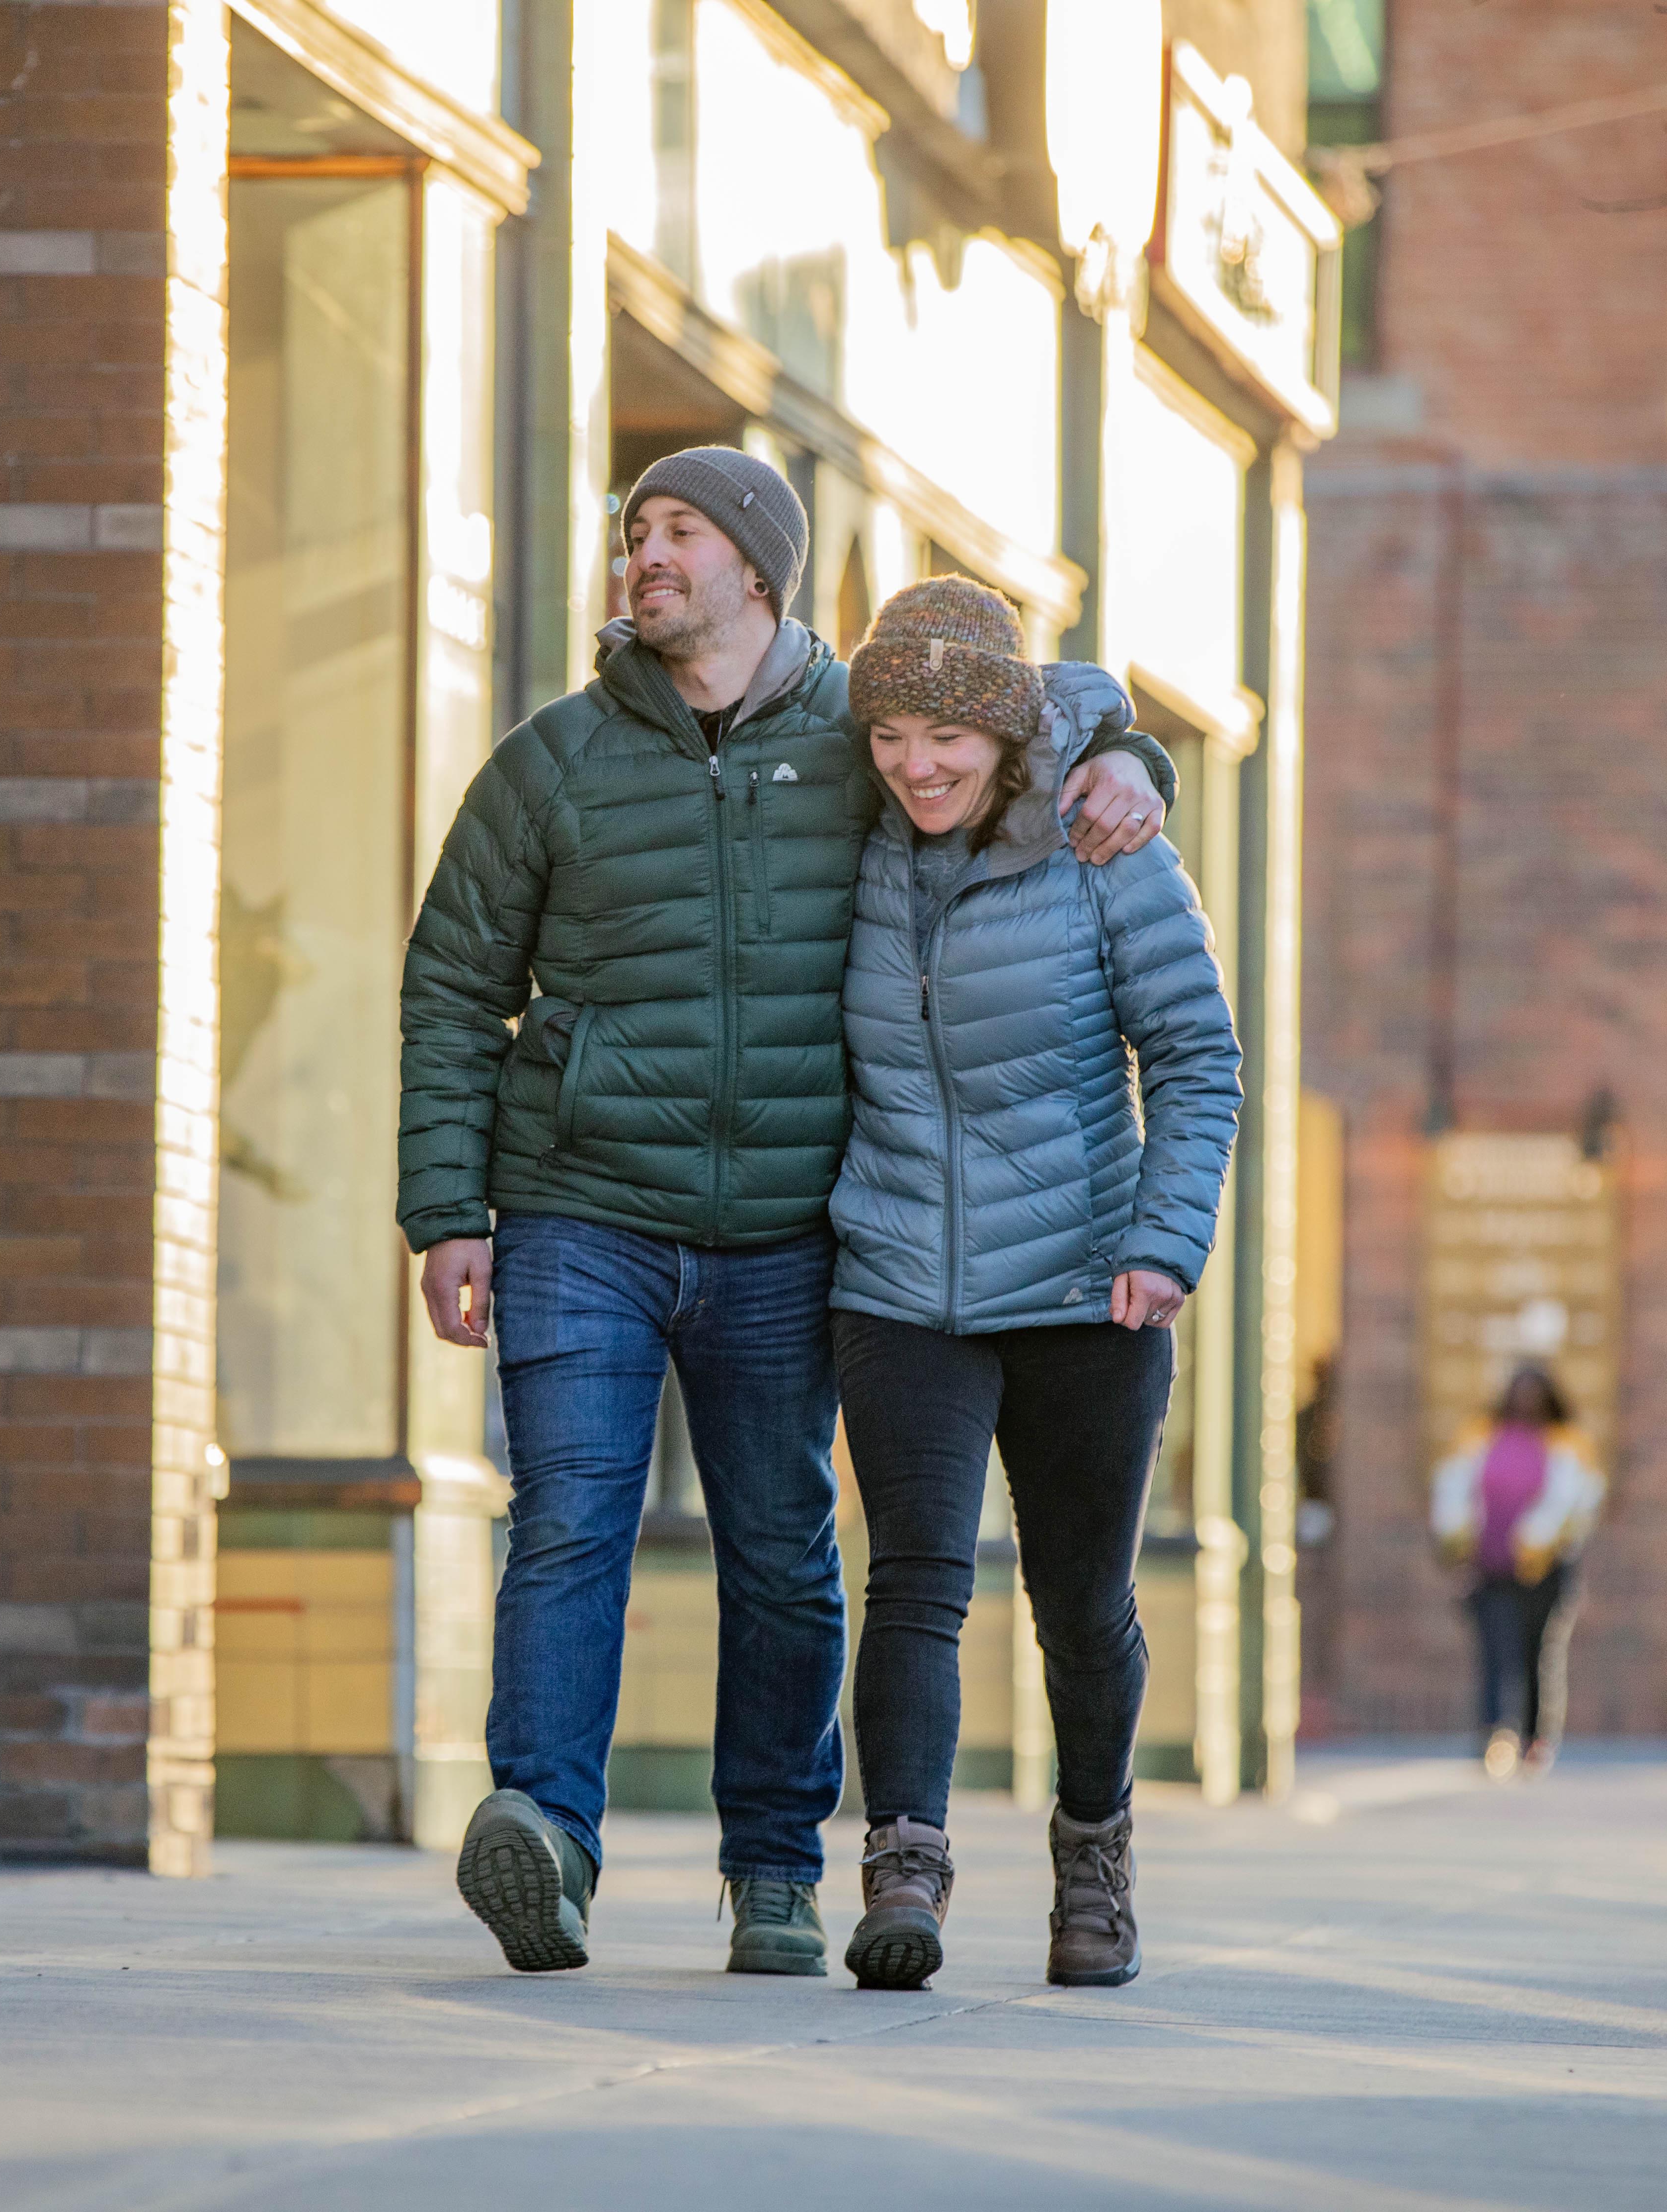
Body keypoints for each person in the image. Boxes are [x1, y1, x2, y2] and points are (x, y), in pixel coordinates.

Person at [396, 449, 1180, 1976]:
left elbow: (1030, 709)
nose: (645, 555)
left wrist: (1131, 753)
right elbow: (450, 988)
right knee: (566, 1518)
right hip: (579, 1207)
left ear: (757, 564)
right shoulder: (548, 762)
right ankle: (545, 1832)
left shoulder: (862, 742)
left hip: (785, 1224)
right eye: (631, 532)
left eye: (678, 531)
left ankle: (772, 1867)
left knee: (779, 1543)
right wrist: (449, 1209)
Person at [826, 578, 1244, 1994]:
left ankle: (1095, 1849)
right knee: (917, 1583)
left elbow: (1198, 1054)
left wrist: (1162, 1241)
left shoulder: (1103, 839)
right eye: (891, 732)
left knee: (1082, 1603)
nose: (917, 764)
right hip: (898, 1276)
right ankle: (905, 1868)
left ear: (1007, 737)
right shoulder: (856, 842)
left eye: (949, 734)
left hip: (1086, 1287)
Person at [1429, 1365, 1606, 1778]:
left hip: (1543, 1569)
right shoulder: (1480, 1437)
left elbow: (1579, 1502)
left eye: (1534, 1394)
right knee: (1493, 1652)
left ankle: (1535, 1738)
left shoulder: (1568, 1445)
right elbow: (1454, 1490)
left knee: (1536, 1653)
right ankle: (1493, 1734)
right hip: (1489, 1567)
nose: (1526, 1402)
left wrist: (1542, 1539)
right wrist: (1456, 1539)